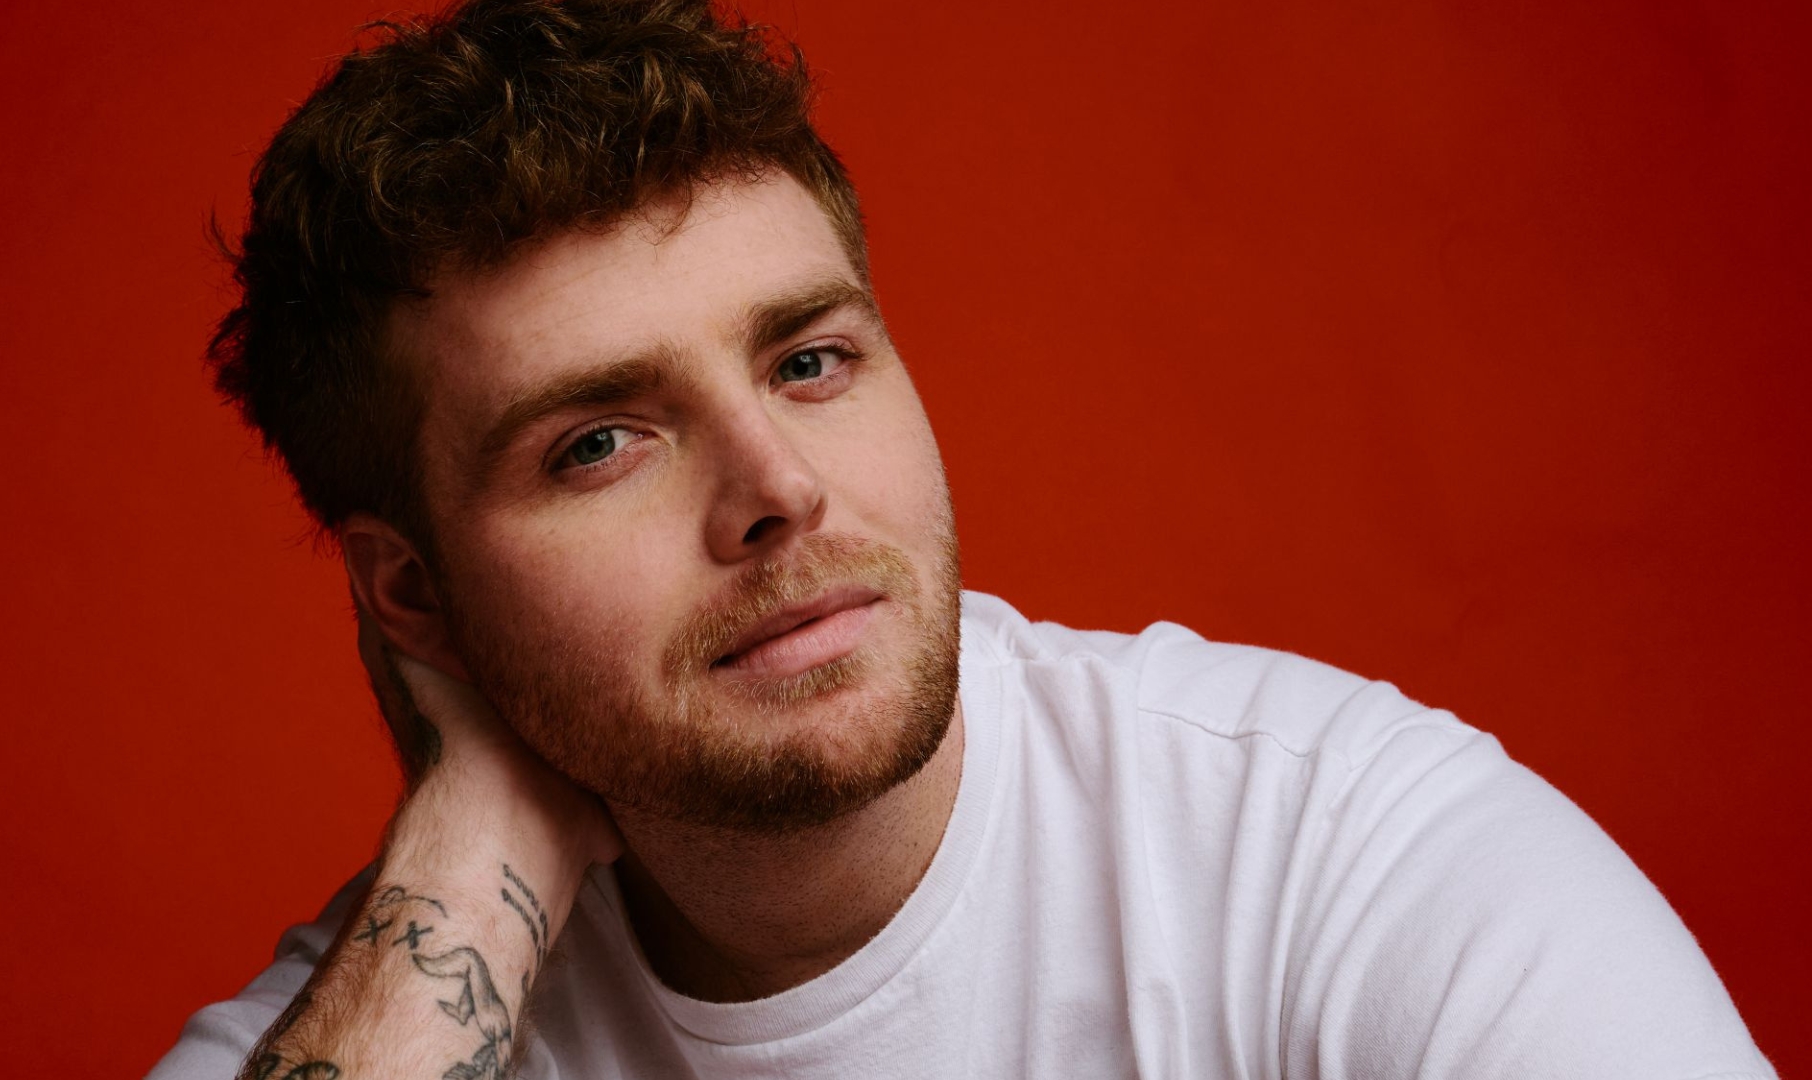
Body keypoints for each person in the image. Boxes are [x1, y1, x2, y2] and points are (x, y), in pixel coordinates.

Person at [148, 1, 1775, 1077]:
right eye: (598, 444)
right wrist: (465, 864)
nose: (776, 485)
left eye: (809, 359)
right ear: (414, 593)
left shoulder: (1349, 867)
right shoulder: (362, 1026)